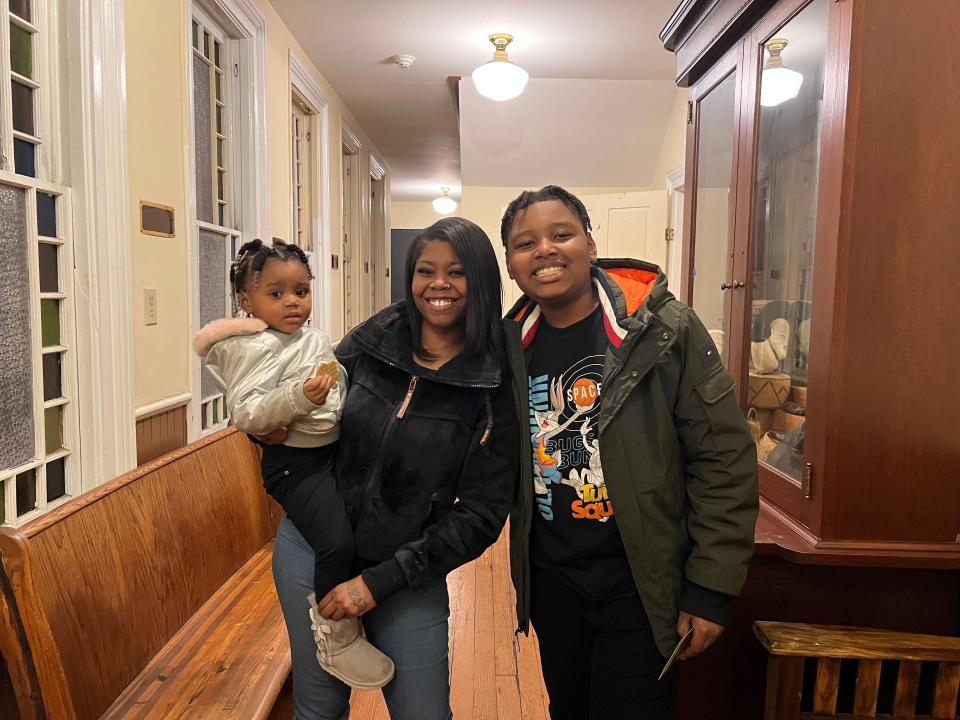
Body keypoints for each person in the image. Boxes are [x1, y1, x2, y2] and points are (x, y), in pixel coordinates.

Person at [500, 186, 759, 719]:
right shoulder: (507, 345)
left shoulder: (666, 329)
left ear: (591, 245)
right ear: (511, 264)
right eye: (525, 243)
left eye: (561, 234)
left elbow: (723, 460)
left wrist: (710, 588)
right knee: (568, 708)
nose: (544, 250)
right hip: (554, 581)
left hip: (643, 584)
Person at [270, 217, 519, 719]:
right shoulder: (377, 335)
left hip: (407, 572)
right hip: (311, 548)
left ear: (482, 279)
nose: (438, 284)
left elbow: (481, 514)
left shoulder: (495, 380)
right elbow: (314, 402)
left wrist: (377, 584)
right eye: (425, 270)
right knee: (318, 710)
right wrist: (271, 422)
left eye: (456, 271)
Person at [194, 238, 394, 689]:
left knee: (355, 530)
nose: (292, 302)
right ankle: (335, 638)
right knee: (336, 543)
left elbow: (336, 383)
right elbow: (246, 411)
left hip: (329, 455)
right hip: (294, 466)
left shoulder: (313, 338)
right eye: (276, 293)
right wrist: (298, 398)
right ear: (246, 301)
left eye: (301, 291)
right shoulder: (252, 349)